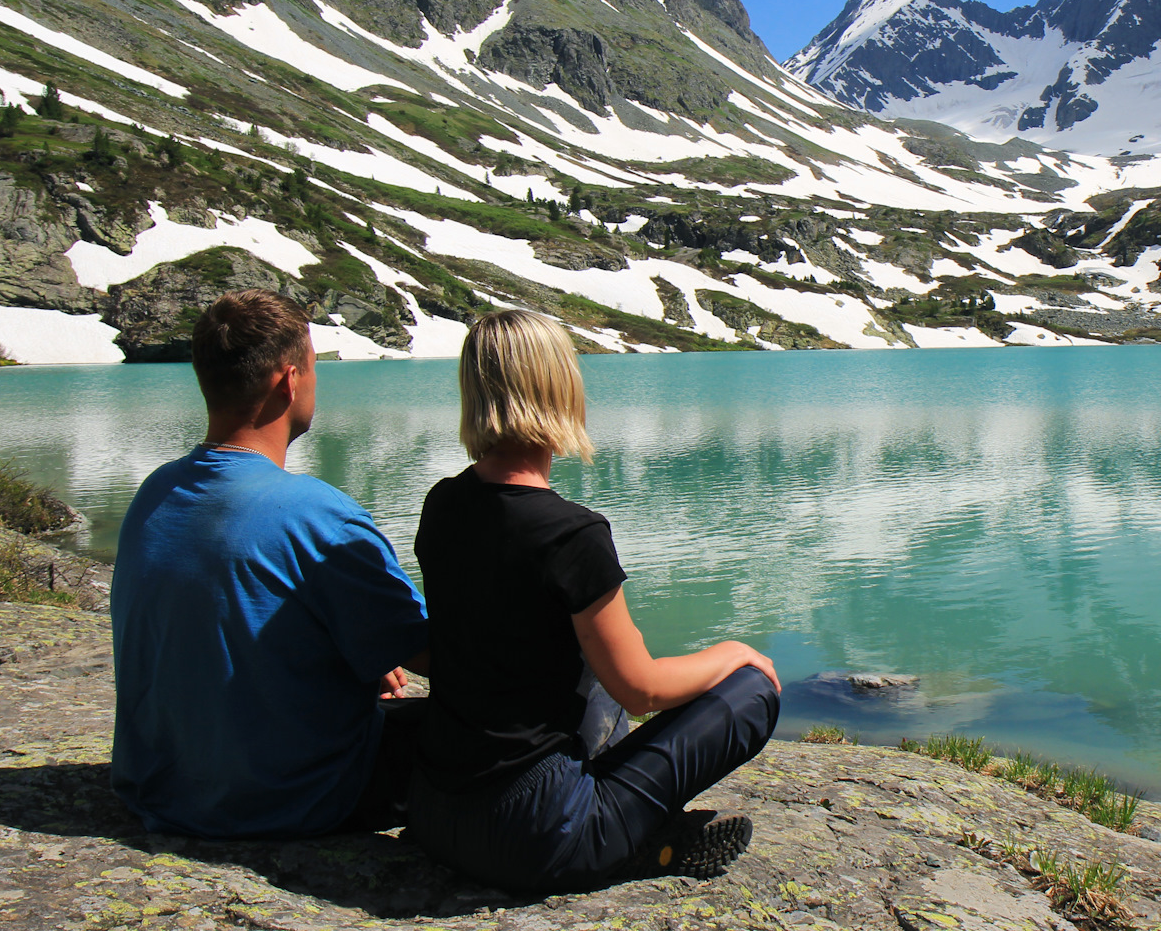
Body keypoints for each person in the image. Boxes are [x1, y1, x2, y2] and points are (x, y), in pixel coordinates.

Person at [405, 309, 779, 893]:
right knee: (752, 693)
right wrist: (734, 653)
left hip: (434, 813)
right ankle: (635, 842)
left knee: (594, 674)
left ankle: (629, 827)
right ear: (559, 390)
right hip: (535, 834)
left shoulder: (443, 503)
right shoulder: (570, 533)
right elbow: (642, 688)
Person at [110, 290, 430, 838]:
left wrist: (355, 646)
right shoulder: (317, 516)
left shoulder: (155, 491)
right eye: (311, 368)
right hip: (292, 800)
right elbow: (436, 655)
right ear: (289, 381)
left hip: (162, 790)